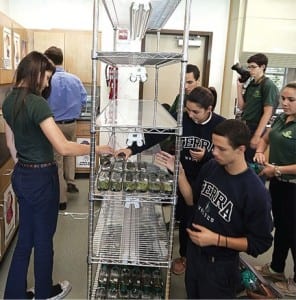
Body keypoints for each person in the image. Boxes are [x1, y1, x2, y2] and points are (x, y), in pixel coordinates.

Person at [2, 51, 113, 299]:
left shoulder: (9, 100)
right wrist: (97, 148)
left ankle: (14, 295)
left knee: (25, 239)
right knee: (43, 240)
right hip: (42, 179)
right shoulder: (36, 102)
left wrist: (27, 167)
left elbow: (11, 145)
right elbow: (62, 147)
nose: (47, 83)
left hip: (22, 176)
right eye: (47, 77)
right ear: (36, 73)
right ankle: (43, 293)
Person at [155, 119, 273, 299]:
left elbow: (261, 242)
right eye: (213, 146)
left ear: (241, 149)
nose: (214, 153)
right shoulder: (212, 167)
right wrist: (179, 173)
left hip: (219, 266)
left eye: (221, 149)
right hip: (194, 256)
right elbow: (191, 200)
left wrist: (217, 239)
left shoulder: (254, 192)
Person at [116, 86, 225, 275]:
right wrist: (130, 149)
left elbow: (229, 154)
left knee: (206, 220)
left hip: (209, 180)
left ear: (210, 109)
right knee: (185, 218)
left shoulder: (221, 125)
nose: (190, 115)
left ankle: (205, 260)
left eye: (196, 112)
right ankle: (184, 256)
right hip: (182, 176)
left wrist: (207, 156)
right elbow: (154, 134)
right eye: (188, 110)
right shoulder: (181, 118)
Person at [254, 82, 296, 297]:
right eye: (283, 99)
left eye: (291, 100)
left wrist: (277, 169)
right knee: (281, 227)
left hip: (292, 186)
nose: (285, 103)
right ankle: (277, 268)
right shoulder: (281, 119)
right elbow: (265, 138)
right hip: (279, 184)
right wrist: (261, 151)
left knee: (294, 233)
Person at [44, 46, 87, 210]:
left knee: (57, 161)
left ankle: (61, 200)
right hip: (71, 123)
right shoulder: (75, 79)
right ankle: (70, 181)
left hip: (53, 124)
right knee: (71, 152)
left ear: (48, 61)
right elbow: (84, 100)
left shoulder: (47, 79)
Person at [236, 53, 279, 163]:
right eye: (249, 67)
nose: (250, 70)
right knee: (242, 159)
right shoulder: (252, 84)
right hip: (245, 125)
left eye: (253, 67)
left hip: (257, 127)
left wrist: (257, 135)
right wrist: (239, 88)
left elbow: (268, 112)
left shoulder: (268, 85)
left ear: (263, 67)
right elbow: (242, 106)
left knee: (252, 162)